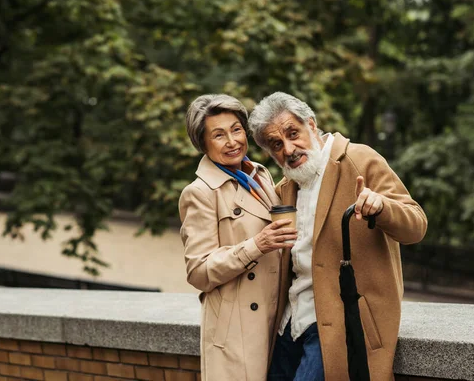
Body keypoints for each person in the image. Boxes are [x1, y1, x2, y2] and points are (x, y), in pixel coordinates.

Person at [248, 92, 428, 381]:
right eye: (276, 144)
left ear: (311, 124)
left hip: (339, 325)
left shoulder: (359, 159)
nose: (289, 148)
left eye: (293, 134)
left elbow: (416, 225)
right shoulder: (285, 188)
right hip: (289, 324)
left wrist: (382, 207)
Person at [179, 94, 298, 381]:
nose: (232, 141)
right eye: (218, 135)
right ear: (203, 143)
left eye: (236, 130)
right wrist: (255, 246)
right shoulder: (200, 193)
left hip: (277, 321)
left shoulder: (260, 174)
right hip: (236, 334)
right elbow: (198, 271)